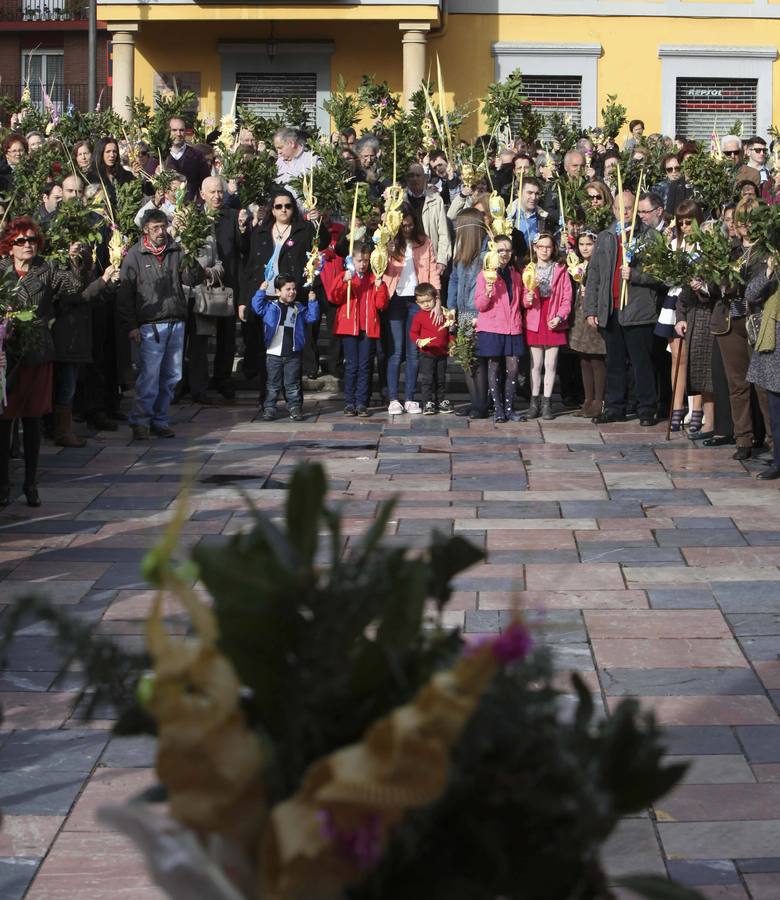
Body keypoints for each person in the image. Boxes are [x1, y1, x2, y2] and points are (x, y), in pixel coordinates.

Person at [0, 216, 86, 507]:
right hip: (7, 354)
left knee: (32, 420)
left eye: (32, 240)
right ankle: (3, 485)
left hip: (37, 353)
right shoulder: (1, 270)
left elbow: (75, 287)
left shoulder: (46, 269)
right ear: (9, 246)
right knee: (5, 421)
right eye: (21, 241)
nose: (27, 246)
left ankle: (30, 483)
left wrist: (73, 260)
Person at [117, 208, 205, 440]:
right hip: (150, 324)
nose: (160, 232)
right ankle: (141, 421)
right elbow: (124, 295)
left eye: (163, 226)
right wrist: (131, 326)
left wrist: (190, 255)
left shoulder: (176, 250)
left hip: (176, 320)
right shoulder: (135, 255)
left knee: (173, 375)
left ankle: (160, 419)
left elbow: (193, 279)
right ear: (145, 229)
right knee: (149, 376)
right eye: (155, 228)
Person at [585, 189, 663, 426]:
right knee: (615, 363)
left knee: (642, 363)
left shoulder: (648, 236)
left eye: (629, 208)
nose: (625, 212)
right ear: (613, 210)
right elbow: (595, 274)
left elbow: (660, 273)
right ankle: (615, 407)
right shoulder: (607, 236)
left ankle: (646, 409)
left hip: (638, 310)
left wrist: (636, 275)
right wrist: (592, 309)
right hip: (612, 310)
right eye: (620, 208)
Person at [240, 187, 320, 391]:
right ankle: (266, 398)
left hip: (290, 297)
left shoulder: (303, 230)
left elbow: (322, 241)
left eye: (288, 206)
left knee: (291, 351)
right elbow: (250, 267)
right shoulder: (260, 232)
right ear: (272, 210)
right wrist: (243, 300)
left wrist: (317, 222)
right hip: (264, 296)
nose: (284, 210)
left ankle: (293, 399)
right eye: (279, 206)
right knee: (264, 350)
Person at [713, 197, 771, 459]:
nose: (743, 225)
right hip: (730, 321)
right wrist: (707, 283)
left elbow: (756, 290)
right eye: (740, 218)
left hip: (755, 321)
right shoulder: (730, 249)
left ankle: (771, 439)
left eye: (749, 219)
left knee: (762, 384)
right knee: (737, 384)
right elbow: (717, 287)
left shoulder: (766, 251)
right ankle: (743, 438)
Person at [51, 245, 120, 447]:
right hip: (65, 336)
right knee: (65, 386)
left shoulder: (83, 267)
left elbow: (94, 299)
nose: (77, 247)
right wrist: (103, 280)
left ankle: (64, 429)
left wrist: (111, 284)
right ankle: (59, 431)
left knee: (70, 384)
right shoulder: (56, 268)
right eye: (73, 243)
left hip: (80, 336)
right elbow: (76, 297)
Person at [381, 203, 441, 415]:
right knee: (396, 350)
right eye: (402, 225)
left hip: (418, 300)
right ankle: (393, 398)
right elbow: (380, 269)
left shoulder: (424, 242)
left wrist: (437, 301)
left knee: (414, 350)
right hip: (395, 298)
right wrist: (384, 248)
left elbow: (433, 271)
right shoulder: (388, 242)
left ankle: (409, 398)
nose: (406, 228)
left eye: (409, 224)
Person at [200, 175, 250, 400]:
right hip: (201, 283)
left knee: (227, 335)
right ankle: (197, 380)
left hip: (227, 283)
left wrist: (242, 229)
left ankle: (223, 378)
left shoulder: (232, 216)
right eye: (212, 192)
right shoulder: (194, 216)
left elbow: (243, 248)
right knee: (200, 336)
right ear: (202, 195)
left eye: (220, 191)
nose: (217, 196)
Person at [673, 202, 717, 438]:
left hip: (708, 314)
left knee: (707, 372)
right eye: (681, 223)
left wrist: (702, 288)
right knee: (698, 371)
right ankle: (705, 421)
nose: (685, 227)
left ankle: (710, 421)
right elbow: (682, 290)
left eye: (689, 222)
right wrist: (680, 316)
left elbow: (715, 286)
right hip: (691, 313)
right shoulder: (684, 247)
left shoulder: (707, 247)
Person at [329, 242, 389, 416]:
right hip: (349, 327)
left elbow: (381, 304)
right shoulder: (346, 276)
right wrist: (343, 280)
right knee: (352, 365)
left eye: (365, 260)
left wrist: (381, 287)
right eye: (358, 260)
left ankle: (362, 401)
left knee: (365, 365)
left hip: (367, 328)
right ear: (352, 260)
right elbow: (334, 297)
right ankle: (350, 401)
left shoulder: (372, 279)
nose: (362, 264)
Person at [251, 275, 320, 421]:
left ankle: (294, 407)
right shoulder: (270, 306)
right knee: (272, 384)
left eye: (294, 289)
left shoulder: (299, 308)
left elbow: (312, 318)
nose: (292, 292)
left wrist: (312, 302)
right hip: (273, 353)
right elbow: (257, 308)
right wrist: (261, 291)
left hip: (293, 354)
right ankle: (269, 408)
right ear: (277, 291)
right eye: (287, 289)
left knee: (293, 383)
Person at [520, 232, 572, 420]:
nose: (544, 250)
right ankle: (534, 401)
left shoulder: (560, 269)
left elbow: (567, 297)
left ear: (553, 248)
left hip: (553, 316)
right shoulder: (529, 269)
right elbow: (524, 298)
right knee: (536, 364)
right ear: (534, 247)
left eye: (548, 247)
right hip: (535, 316)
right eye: (540, 246)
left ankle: (547, 402)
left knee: (550, 364)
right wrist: (528, 298)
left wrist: (560, 316)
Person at [474, 234, 525, 423]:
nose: (504, 254)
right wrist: (487, 292)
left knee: (513, 368)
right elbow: (479, 305)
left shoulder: (516, 275)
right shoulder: (485, 274)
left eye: (508, 250)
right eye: (500, 250)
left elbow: (522, 301)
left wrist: (529, 298)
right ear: (493, 251)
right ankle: (498, 409)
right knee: (494, 366)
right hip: (492, 326)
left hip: (512, 327)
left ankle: (510, 408)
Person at [450, 208, 489, 418]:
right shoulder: (461, 252)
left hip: (477, 311)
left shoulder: (485, 253)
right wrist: (451, 306)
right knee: (466, 359)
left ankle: (482, 404)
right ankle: (474, 402)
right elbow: (454, 280)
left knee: (478, 360)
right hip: (462, 310)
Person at [746, 256, 780, 479]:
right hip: (775, 344)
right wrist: (769, 270)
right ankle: (779, 461)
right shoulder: (773, 268)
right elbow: (751, 294)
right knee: (776, 409)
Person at [568, 230, 606, 417]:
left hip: (595, 311)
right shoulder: (577, 265)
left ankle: (599, 400)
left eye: (588, 244)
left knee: (596, 357)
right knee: (583, 357)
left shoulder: (599, 264)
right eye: (581, 244)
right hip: (579, 312)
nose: (584, 248)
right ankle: (588, 400)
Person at [410, 282, 454, 415]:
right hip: (427, 353)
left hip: (441, 353)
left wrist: (452, 345)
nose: (426, 305)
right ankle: (427, 402)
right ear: (417, 303)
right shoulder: (419, 316)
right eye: (422, 302)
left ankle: (440, 401)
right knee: (427, 379)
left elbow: (449, 330)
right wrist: (419, 341)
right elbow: (413, 332)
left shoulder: (442, 313)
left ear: (436, 299)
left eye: (429, 301)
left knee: (440, 378)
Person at [405, 163, 451, 276]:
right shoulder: (399, 200)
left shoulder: (436, 200)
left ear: (425, 178)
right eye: (411, 175)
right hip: (406, 257)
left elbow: (444, 233)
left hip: (430, 257)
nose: (415, 178)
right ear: (406, 178)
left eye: (418, 175)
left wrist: (441, 260)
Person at [160, 117, 210, 203]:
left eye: (181, 130)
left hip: (189, 208)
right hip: (164, 209)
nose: (178, 133)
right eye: (174, 130)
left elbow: (206, 184)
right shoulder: (159, 154)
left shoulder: (197, 155)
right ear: (168, 131)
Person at [652, 153, 693, 218]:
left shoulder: (689, 185)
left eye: (677, 168)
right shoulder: (658, 188)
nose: (674, 172)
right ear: (665, 171)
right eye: (669, 169)